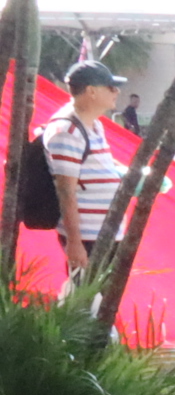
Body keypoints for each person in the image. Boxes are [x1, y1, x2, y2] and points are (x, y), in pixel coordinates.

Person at [41, 60, 126, 279]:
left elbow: (101, 165)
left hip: (105, 232)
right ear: (91, 91)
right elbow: (66, 191)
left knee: (102, 302)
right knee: (87, 303)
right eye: (110, 87)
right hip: (88, 236)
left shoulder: (93, 123)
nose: (116, 92)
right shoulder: (67, 130)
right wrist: (75, 242)